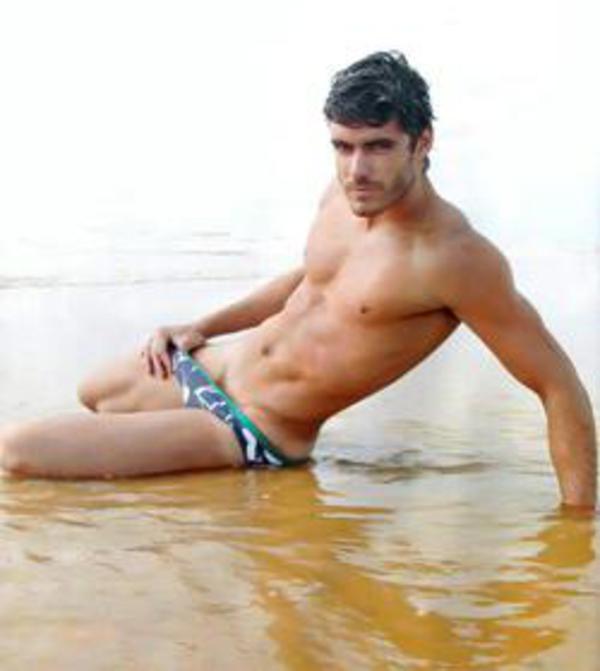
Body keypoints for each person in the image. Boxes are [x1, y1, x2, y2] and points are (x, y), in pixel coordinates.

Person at [0, 51, 596, 509]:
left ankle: (185, 455)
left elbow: (557, 382)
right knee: (96, 391)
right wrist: (201, 327)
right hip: (219, 367)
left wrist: (578, 529)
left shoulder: (454, 258)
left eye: (378, 147)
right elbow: (309, 281)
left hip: (250, 427)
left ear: (422, 142)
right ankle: (154, 452)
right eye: (343, 146)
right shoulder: (342, 197)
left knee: (16, 450)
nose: (357, 168)